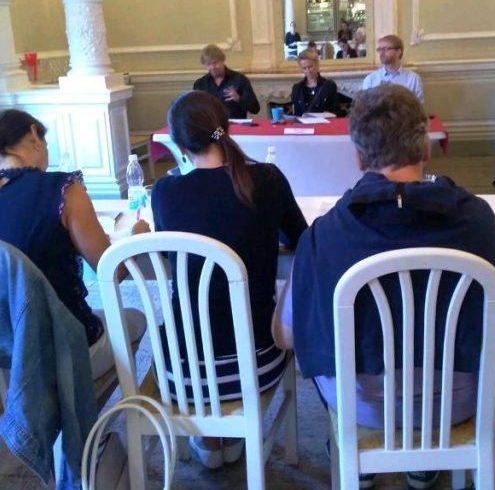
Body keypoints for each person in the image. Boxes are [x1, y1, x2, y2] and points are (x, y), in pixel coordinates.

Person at [273, 85, 495, 490]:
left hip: (363, 408)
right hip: (456, 404)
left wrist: (294, 275)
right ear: (426, 148)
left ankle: (359, 460)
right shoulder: (479, 220)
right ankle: (426, 464)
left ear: (358, 156)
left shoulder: (326, 233)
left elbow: (286, 336)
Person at [151, 90, 307, 469]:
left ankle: (209, 439)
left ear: (178, 144)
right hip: (256, 365)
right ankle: (233, 435)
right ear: (226, 127)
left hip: (182, 375)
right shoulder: (267, 179)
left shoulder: (165, 193)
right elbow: (300, 240)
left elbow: (175, 258)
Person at [0, 109, 149, 381]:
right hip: (61, 351)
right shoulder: (62, 190)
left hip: (8, 356)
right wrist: (136, 237)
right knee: (136, 319)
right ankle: (87, 400)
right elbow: (111, 270)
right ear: (34, 134)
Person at [193, 44, 260, 119]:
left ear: (222, 60)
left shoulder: (240, 79)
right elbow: (194, 112)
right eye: (209, 64)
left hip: (234, 125)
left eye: (215, 63)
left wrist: (239, 99)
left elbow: (255, 109)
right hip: (210, 125)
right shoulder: (200, 84)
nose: (213, 67)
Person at [362, 34, 424, 102]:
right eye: (380, 49)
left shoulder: (413, 79)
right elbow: (365, 106)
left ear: (398, 52)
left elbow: (418, 106)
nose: (381, 53)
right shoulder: (370, 79)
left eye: (386, 49)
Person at [291, 49, 340, 116]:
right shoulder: (297, 88)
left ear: (317, 64)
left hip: (325, 122)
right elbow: (297, 115)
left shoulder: (329, 86)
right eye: (304, 68)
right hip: (304, 122)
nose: (308, 71)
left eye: (310, 67)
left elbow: (336, 111)